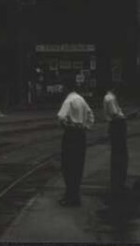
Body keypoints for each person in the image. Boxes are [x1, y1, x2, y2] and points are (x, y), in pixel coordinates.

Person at [56, 74, 94, 206]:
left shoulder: (69, 100)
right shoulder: (81, 99)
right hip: (81, 135)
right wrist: (85, 126)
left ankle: (69, 196)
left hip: (71, 135)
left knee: (68, 166)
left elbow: (61, 116)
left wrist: (67, 125)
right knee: (78, 166)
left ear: (66, 87)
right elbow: (90, 115)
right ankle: (75, 195)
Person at [103, 85, 135, 196]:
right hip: (117, 126)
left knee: (118, 155)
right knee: (120, 155)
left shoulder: (109, 97)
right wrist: (129, 116)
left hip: (115, 126)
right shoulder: (111, 98)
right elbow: (116, 116)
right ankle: (118, 184)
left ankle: (117, 183)